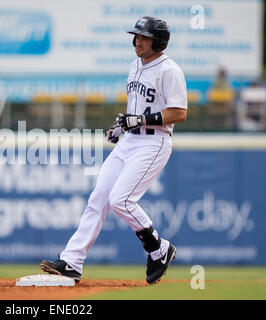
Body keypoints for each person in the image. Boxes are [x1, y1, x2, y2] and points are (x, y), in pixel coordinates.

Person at [40, 16, 188, 285]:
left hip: (154, 143)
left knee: (121, 199)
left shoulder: (170, 70)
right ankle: (72, 261)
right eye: (137, 36)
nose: (138, 41)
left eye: (144, 37)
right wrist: (121, 126)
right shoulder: (135, 66)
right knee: (99, 198)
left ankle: (159, 249)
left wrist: (139, 121)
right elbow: (136, 109)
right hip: (131, 141)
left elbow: (179, 112)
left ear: (159, 42)